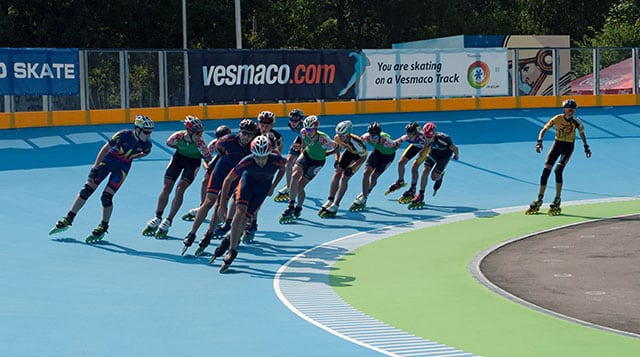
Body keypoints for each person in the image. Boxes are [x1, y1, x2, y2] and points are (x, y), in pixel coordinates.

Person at [49, 115, 154, 243]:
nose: (149, 134)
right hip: (108, 161)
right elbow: (105, 149)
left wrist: (130, 157)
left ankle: (103, 226)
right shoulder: (122, 135)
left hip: (122, 168)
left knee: (106, 197)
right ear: (137, 129)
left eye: (150, 132)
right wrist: (95, 167)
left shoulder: (147, 145)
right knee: (87, 190)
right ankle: (68, 218)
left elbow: (144, 153)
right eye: (146, 131)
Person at [208, 135, 286, 273]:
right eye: (257, 156)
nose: (260, 161)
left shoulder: (277, 160)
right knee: (239, 214)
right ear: (252, 153)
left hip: (262, 189)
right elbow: (227, 180)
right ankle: (232, 250)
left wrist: (274, 186)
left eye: (264, 157)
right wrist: (222, 204)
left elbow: (283, 169)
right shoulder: (246, 162)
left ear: (269, 153)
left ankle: (229, 238)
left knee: (246, 219)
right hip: (247, 185)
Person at [181, 118, 258, 256]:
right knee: (209, 201)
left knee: (219, 205)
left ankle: (208, 234)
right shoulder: (227, 140)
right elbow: (217, 150)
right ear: (240, 131)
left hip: (234, 177)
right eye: (245, 133)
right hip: (220, 172)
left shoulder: (252, 147)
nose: (247, 137)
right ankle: (192, 233)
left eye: (250, 135)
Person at [142, 116, 212, 238]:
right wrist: (183, 149)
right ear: (189, 131)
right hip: (178, 159)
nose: (200, 136)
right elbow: (170, 144)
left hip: (193, 163)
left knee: (180, 189)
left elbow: (208, 159)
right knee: (167, 187)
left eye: (201, 133)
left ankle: (168, 220)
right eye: (198, 133)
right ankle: (157, 217)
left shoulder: (201, 145)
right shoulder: (177, 137)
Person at [526, 99, 591, 215]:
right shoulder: (557, 119)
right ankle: (539, 198)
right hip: (557, 144)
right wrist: (539, 142)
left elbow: (582, 134)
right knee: (546, 170)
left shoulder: (577, 121)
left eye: (572, 110)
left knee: (558, 170)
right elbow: (543, 130)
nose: (570, 112)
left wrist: (586, 147)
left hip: (568, 147)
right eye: (568, 110)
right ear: (564, 110)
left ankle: (557, 198)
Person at [279, 115, 337, 224]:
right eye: (306, 129)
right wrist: (302, 152)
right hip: (306, 156)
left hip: (317, 162)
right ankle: (291, 206)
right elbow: (304, 142)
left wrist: (328, 155)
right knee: (294, 176)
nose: (308, 131)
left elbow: (337, 147)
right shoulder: (303, 132)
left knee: (300, 186)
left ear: (315, 129)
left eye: (310, 129)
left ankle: (299, 207)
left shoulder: (324, 139)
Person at [240, 111, 284, 242]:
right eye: (262, 123)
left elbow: (277, 158)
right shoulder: (252, 132)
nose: (264, 126)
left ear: (272, 124)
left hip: (265, 172)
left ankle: (252, 223)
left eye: (267, 124)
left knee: (256, 201)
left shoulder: (277, 137)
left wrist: (272, 185)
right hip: (249, 167)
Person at [181, 124, 232, 221]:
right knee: (205, 181)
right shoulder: (213, 144)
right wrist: (207, 168)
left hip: (229, 167)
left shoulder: (232, 146)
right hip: (216, 166)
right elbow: (205, 159)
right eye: (219, 138)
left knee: (225, 190)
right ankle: (202, 206)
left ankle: (224, 211)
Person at [318, 120, 367, 218]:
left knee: (345, 178)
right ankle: (330, 199)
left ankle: (336, 204)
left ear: (348, 134)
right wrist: (336, 159)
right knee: (336, 173)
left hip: (358, 157)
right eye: (339, 134)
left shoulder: (357, 142)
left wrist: (352, 167)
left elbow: (363, 157)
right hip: (349, 153)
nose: (340, 137)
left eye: (342, 135)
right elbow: (338, 148)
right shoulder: (337, 137)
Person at [349, 122, 400, 212]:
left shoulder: (386, 141)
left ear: (379, 135)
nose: (373, 139)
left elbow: (397, 144)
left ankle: (368, 191)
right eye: (371, 136)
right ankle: (364, 197)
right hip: (377, 153)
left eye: (375, 137)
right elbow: (357, 143)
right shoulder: (365, 137)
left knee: (374, 177)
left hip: (388, 157)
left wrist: (391, 148)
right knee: (366, 173)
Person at [408, 123, 459, 210]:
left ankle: (440, 176)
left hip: (444, 155)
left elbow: (455, 148)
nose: (427, 139)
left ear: (434, 134)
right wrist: (423, 150)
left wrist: (456, 156)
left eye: (429, 137)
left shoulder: (444, 139)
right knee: (425, 171)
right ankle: (421, 194)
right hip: (434, 152)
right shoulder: (425, 136)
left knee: (434, 177)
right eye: (426, 136)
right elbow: (426, 143)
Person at [385, 121, 433, 203]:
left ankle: (413, 189)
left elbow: (428, 142)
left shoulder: (424, 136)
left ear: (417, 133)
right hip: (415, 146)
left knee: (414, 167)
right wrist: (389, 144)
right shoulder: (406, 137)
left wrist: (423, 150)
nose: (409, 136)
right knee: (401, 163)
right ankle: (400, 181)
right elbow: (396, 142)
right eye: (408, 133)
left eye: (412, 134)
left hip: (426, 148)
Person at [273, 109, 305, 202]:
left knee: (297, 165)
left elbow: (306, 139)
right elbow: (299, 136)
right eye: (291, 120)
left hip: (308, 142)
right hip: (300, 139)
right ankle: (288, 186)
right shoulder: (290, 125)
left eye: (295, 121)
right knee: (288, 162)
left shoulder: (304, 128)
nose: (293, 122)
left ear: (300, 120)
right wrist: (296, 143)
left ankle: (294, 184)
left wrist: (301, 148)